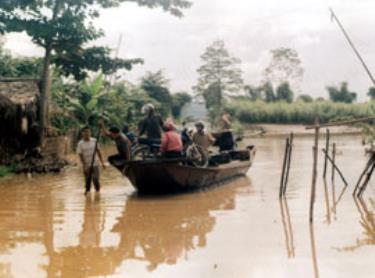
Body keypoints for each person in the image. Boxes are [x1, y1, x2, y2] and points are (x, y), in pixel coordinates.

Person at [77, 126, 106, 195]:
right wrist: (85, 166)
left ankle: (98, 193)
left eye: (88, 132)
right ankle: (87, 192)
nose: (87, 134)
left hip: (95, 163)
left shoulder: (94, 141)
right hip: (87, 165)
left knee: (96, 179)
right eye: (85, 132)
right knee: (87, 181)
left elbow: (99, 152)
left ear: (90, 133)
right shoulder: (80, 143)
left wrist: (102, 163)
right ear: (82, 134)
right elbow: (81, 155)